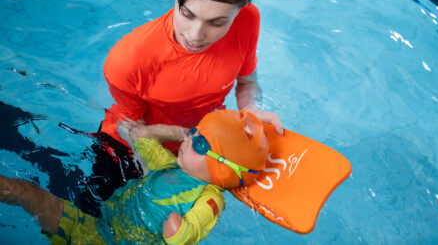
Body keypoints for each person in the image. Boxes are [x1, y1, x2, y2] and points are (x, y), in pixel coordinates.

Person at [77, 0, 284, 215]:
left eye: (217, 22)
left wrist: (251, 111)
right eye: (188, 14)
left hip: (199, 149)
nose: (196, 35)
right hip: (128, 150)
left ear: (240, 9)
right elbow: (135, 132)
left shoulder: (247, 20)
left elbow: (247, 82)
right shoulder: (129, 59)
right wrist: (183, 157)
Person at [0, 110, 269, 244]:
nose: (189, 140)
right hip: (96, 225)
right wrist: (162, 132)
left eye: (200, 144)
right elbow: (144, 142)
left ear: (222, 169)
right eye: (194, 131)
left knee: (26, 192)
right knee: (24, 190)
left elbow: (186, 234)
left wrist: (179, 230)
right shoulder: (172, 166)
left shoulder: (210, 198)